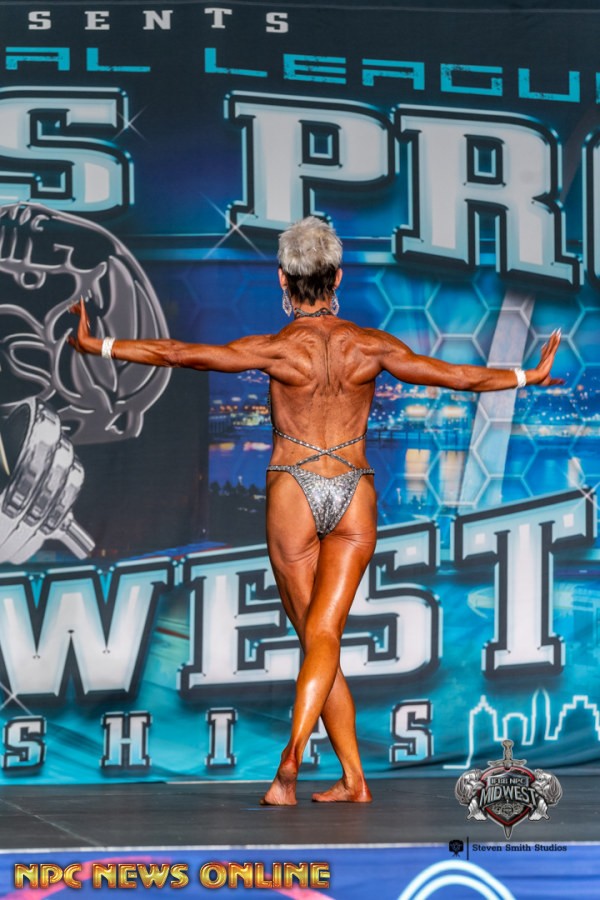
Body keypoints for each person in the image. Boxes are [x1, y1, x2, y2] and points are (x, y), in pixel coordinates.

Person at [69, 216, 562, 806]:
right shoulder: (370, 346)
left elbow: (180, 354)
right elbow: (455, 376)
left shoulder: (278, 348)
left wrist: (97, 345)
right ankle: (354, 779)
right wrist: (526, 374)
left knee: (315, 635)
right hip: (354, 490)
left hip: (295, 488)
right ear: (338, 278)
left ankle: (291, 759)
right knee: (324, 636)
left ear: (283, 279)